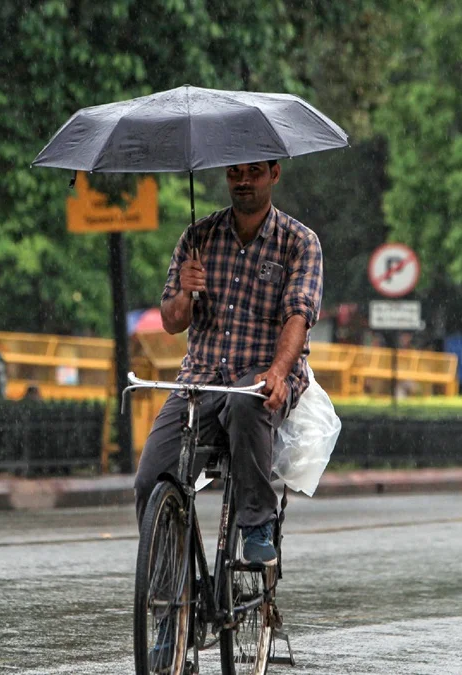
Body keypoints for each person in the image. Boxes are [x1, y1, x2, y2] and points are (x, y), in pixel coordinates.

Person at [134, 160, 323, 566]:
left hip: (262, 376)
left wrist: (277, 372)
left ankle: (257, 523)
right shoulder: (197, 236)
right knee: (151, 481)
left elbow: (299, 315)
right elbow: (171, 321)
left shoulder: (299, 242)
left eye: (254, 172)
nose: (243, 181)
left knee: (245, 399)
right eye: (235, 172)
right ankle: (171, 601)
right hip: (200, 380)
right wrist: (186, 292)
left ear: (274, 174)